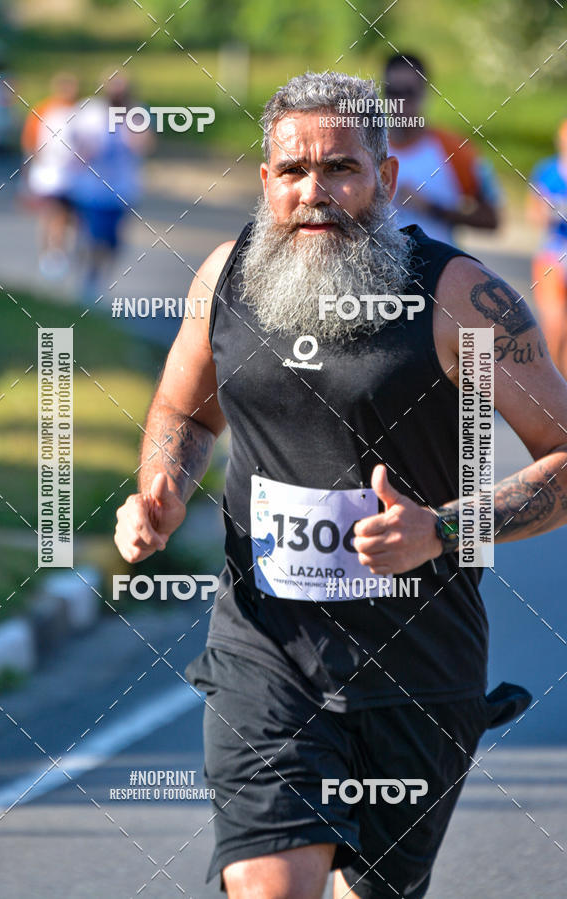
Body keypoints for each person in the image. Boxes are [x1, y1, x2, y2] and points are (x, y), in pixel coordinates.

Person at [114, 71, 567, 898]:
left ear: (386, 178)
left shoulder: (457, 294)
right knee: (269, 882)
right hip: (267, 649)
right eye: (292, 172)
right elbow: (184, 412)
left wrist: (444, 527)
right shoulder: (228, 277)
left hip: (419, 667)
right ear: (265, 181)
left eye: (341, 169)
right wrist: (163, 488)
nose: (314, 192)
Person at [384, 53, 500, 244]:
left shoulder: (456, 149)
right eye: (393, 93)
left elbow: (492, 219)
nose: (401, 102)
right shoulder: (366, 149)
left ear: (424, 94)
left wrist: (432, 208)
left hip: (439, 271)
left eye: (409, 92)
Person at [67, 74, 152, 299]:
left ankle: (97, 277)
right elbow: (74, 141)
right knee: (93, 237)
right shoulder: (90, 111)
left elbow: (145, 144)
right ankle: (88, 279)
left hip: (121, 191)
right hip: (91, 189)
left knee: (113, 242)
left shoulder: (136, 113)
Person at [20, 72, 79, 279]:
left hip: (70, 177)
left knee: (64, 217)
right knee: (50, 214)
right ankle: (49, 253)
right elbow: (30, 142)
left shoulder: (78, 111)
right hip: (48, 175)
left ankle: (57, 251)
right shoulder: (44, 110)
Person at [528, 119, 567, 378]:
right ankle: (553, 385)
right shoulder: (547, 171)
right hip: (554, 253)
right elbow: (533, 213)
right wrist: (549, 212)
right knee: (555, 326)